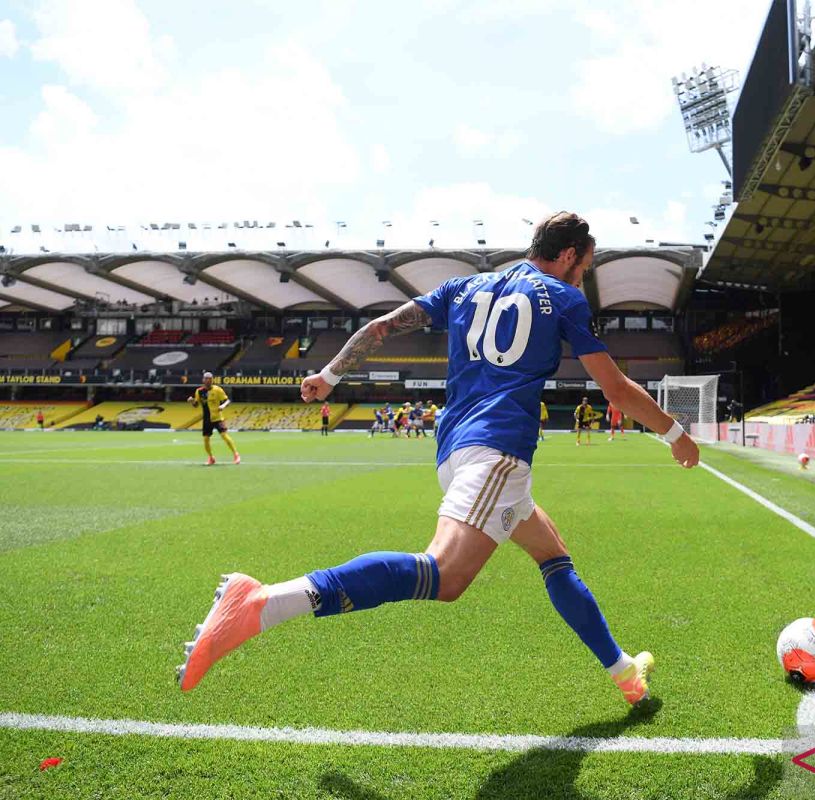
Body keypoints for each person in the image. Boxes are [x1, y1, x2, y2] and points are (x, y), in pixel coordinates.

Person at [175, 211, 700, 708]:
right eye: (585, 264)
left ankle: (625, 674)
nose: (584, 274)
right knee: (445, 576)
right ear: (567, 256)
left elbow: (380, 327)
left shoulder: (464, 285)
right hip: (498, 454)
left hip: (455, 450)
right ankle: (264, 603)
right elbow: (614, 389)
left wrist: (330, 375)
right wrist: (676, 433)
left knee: (552, 553)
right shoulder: (563, 298)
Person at [189, 372, 240, 465]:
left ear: (212, 380)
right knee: (206, 439)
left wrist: (223, 406)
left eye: (210, 379)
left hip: (217, 417)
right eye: (206, 379)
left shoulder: (217, 390)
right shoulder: (199, 391)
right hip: (207, 419)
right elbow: (196, 405)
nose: (208, 380)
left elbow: (227, 400)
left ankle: (236, 454)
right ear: (203, 380)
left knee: (224, 435)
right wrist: (192, 401)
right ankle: (211, 458)